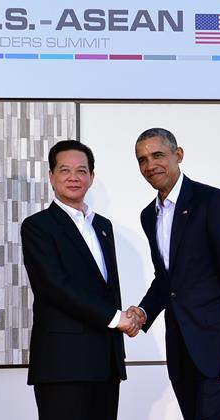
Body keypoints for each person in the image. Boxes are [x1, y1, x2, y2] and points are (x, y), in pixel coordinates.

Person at [127, 128, 220, 420]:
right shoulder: (149, 215)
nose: (150, 165)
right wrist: (143, 312)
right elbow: (167, 280)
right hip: (180, 350)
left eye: (158, 155)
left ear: (178, 155)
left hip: (219, 351)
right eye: (142, 160)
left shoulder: (213, 202)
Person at [21, 140, 140, 420]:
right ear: (51, 176)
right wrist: (117, 318)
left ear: (91, 176)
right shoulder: (38, 226)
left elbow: (107, 289)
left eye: (81, 171)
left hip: (106, 362)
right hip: (63, 364)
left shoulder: (103, 226)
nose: (73, 177)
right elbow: (54, 287)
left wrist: (129, 318)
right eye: (65, 170)